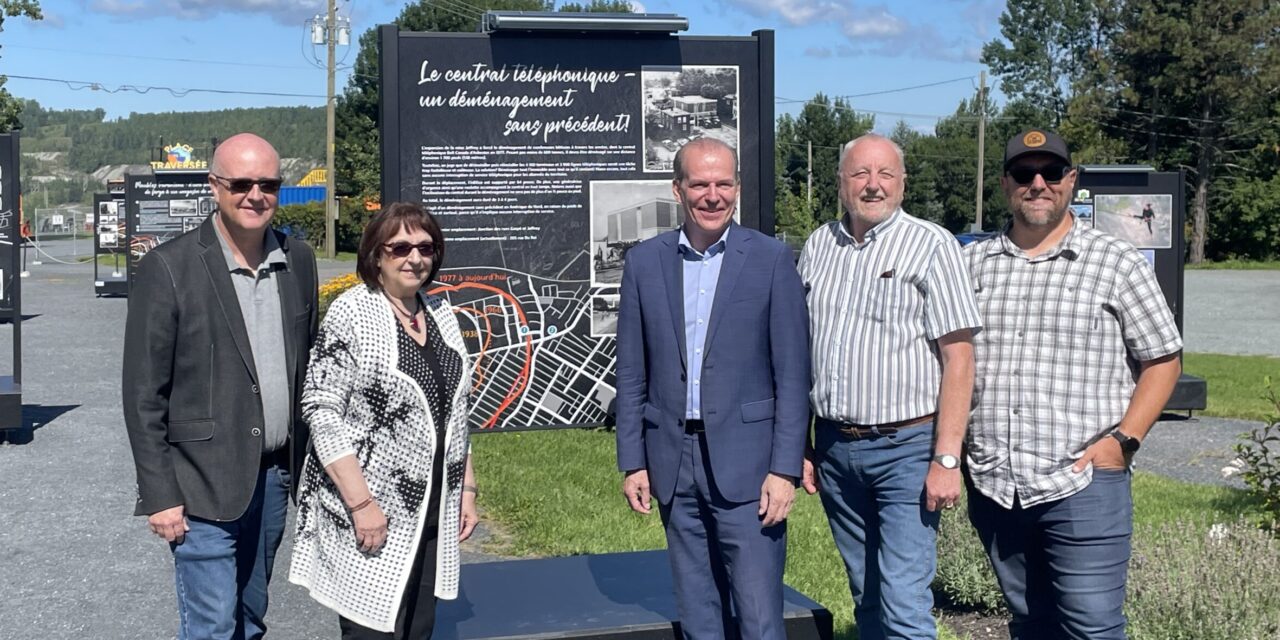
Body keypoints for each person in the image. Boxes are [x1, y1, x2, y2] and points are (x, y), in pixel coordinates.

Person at [963, 129, 1182, 639]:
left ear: (1071, 181)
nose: (1038, 183)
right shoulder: (972, 263)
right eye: (1024, 173)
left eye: (1051, 172)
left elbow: (1163, 359)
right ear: (1005, 184)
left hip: (1082, 480)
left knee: (1092, 626)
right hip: (997, 484)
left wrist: (1124, 440)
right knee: (1030, 622)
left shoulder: (1115, 261)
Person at [122, 133, 319, 640]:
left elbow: (308, 366)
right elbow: (143, 394)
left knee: (251, 619)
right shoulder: (168, 267)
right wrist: (159, 493)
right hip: (201, 485)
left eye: (268, 184)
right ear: (215, 186)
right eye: (241, 183)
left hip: (273, 479)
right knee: (212, 627)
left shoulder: (298, 260)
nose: (255, 195)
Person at [615, 138, 810, 639]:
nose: (712, 195)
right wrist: (633, 460)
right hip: (671, 457)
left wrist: (784, 469)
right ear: (677, 189)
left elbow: (792, 375)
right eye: (699, 184)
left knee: (759, 613)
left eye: (723, 184)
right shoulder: (643, 263)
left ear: (738, 189)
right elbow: (633, 371)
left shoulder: (769, 259)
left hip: (749, 463)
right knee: (698, 608)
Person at [797, 133, 981, 639]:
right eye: (860, 174)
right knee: (868, 596)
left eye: (885, 174)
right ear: (840, 183)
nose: (872, 185)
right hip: (836, 449)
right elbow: (800, 353)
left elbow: (959, 357)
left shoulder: (932, 245)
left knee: (903, 602)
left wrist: (946, 459)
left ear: (902, 183)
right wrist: (802, 444)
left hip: (908, 449)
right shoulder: (818, 246)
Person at [289, 202, 479, 639]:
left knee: (419, 627)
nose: (415, 259)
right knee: (374, 629)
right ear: (376, 255)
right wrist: (361, 505)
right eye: (400, 248)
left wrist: (466, 487)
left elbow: (456, 411)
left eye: (426, 247)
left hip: (431, 509)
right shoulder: (352, 312)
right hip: (371, 511)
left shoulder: (440, 314)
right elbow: (321, 411)